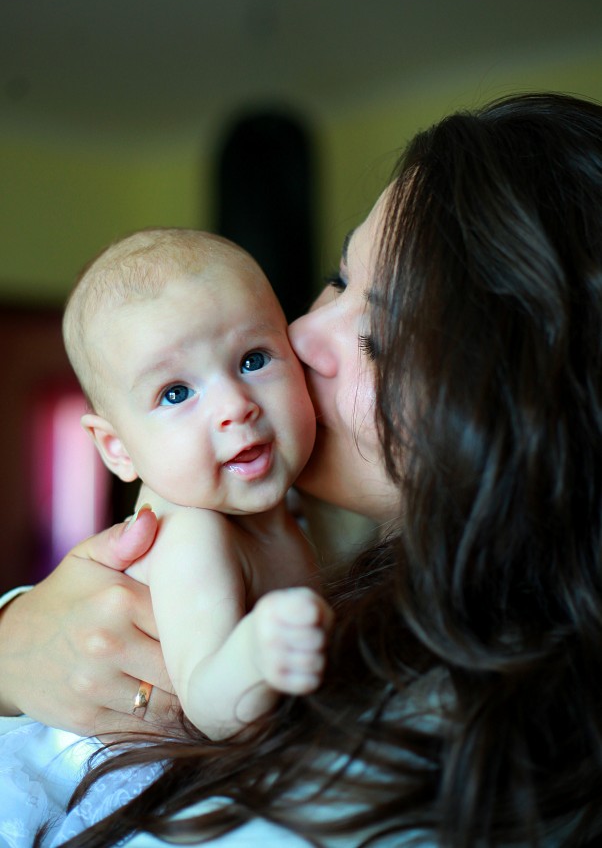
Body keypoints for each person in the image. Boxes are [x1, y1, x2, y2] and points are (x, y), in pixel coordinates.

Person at [1, 91, 602, 847]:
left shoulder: (445, 747)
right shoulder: (278, 555)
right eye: (338, 279)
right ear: (111, 443)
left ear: (522, 415)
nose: (303, 333)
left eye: (381, 337)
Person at [0, 229, 330, 842]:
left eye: (253, 359)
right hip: (81, 775)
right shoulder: (194, 534)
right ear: (118, 448)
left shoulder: (281, 514)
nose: (235, 404)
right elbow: (208, 702)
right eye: (176, 392)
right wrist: (259, 653)